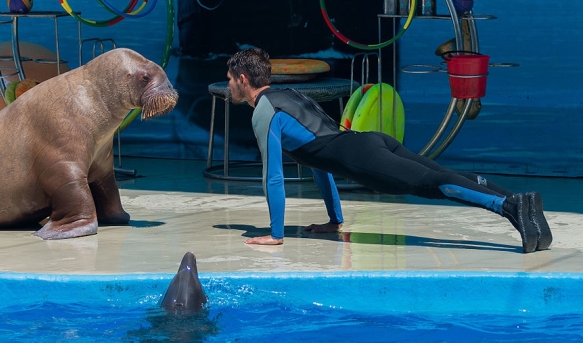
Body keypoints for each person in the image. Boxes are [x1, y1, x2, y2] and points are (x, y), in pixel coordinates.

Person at [225, 47, 552, 253]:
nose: (228, 86)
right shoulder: (291, 95)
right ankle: (520, 203)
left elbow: (273, 176)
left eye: (229, 80)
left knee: (432, 184)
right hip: (370, 141)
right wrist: (333, 220)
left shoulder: (264, 110)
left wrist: (276, 234)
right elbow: (317, 159)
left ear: (243, 79)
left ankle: (507, 205)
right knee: (440, 174)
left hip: (363, 158)